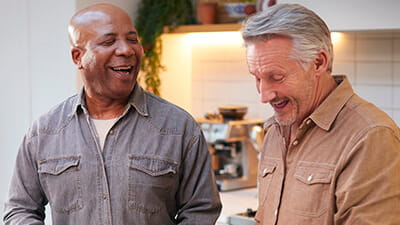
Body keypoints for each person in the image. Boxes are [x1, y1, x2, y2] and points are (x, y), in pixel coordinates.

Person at [3, 3, 221, 225]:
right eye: (108, 42)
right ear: (78, 57)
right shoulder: (44, 131)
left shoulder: (179, 127)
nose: (126, 50)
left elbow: (201, 210)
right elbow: (19, 209)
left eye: (132, 39)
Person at [242, 3, 400, 225]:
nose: (264, 95)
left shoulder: (370, 137)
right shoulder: (274, 132)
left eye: (276, 77)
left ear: (318, 62)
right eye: (257, 78)